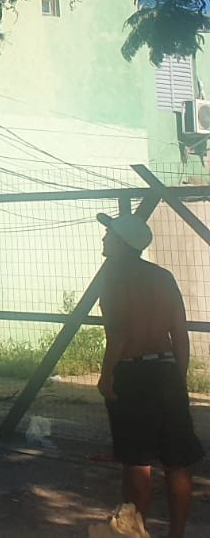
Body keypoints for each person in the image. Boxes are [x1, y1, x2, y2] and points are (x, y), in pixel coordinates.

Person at [96, 212, 202, 538]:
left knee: (137, 464)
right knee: (177, 463)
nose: (104, 239)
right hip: (167, 369)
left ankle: (134, 534)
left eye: (109, 234)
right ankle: (178, 534)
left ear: (122, 244)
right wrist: (177, 378)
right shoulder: (163, 277)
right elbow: (180, 334)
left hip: (132, 373)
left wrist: (106, 375)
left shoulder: (113, 278)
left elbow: (120, 333)